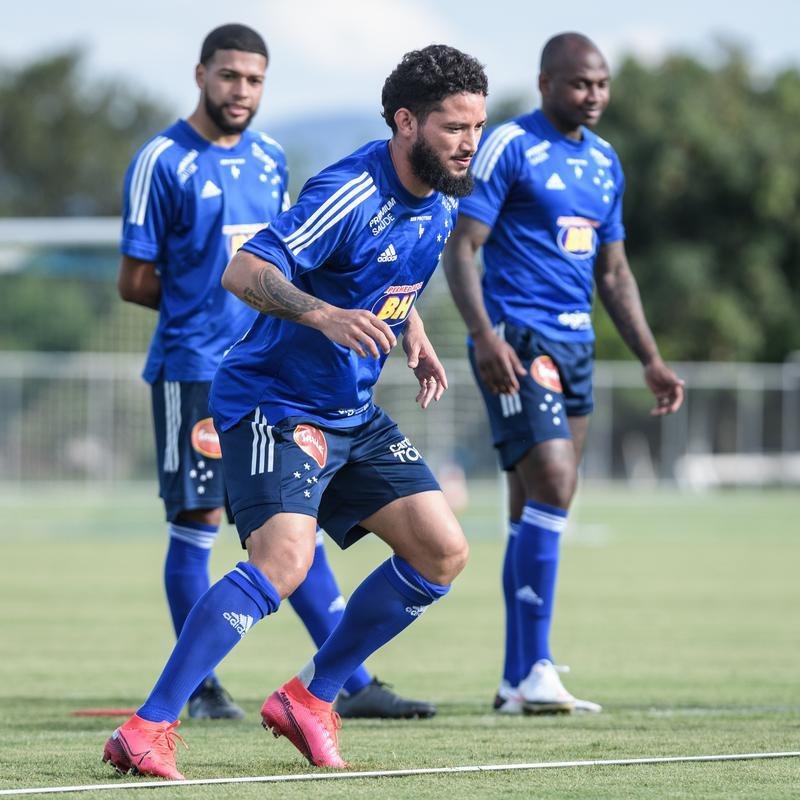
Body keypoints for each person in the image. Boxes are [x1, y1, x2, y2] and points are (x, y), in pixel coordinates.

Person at [103, 44, 488, 778]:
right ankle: (147, 727)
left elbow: (391, 279)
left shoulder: (441, 199)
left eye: (477, 126)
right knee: (281, 562)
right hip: (272, 403)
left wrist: (415, 334)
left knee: (442, 551)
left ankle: (313, 698)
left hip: (350, 408)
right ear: (406, 123)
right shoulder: (349, 188)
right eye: (453, 127)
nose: (469, 142)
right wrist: (323, 316)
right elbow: (244, 268)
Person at [443, 32, 684, 716]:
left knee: (536, 510)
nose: (595, 95)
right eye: (581, 84)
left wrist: (651, 359)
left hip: (577, 348)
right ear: (548, 83)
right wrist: (484, 335)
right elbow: (463, 248)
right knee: (554, 482)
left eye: (602, 84)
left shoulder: (605, 162)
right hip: (519, 341)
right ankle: (537, 668)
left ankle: (516, 680)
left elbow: (613, 272)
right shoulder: (509, 146)